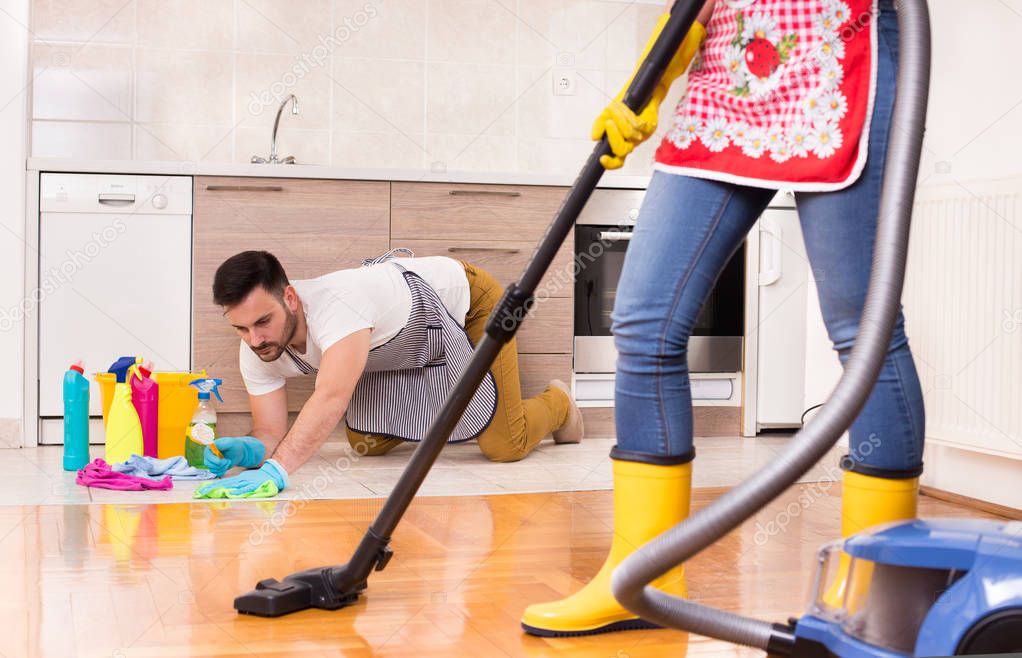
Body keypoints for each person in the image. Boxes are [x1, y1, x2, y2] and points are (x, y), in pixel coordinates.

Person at [522, 0, 924, 636]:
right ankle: (643, 578)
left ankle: (885, 595)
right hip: (728, 71)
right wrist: (650, 84)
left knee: (863, 329)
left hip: (837, 48)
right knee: (644, 323)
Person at [196, 250, 584, 497]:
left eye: (263, 321)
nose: (255, 338)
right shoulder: (255, 347)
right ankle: (454, 416)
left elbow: (331, 396)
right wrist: (247, 450)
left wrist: (278, 470)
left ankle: (560, 405)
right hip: (406, 345)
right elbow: (270, 432)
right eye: (241, 328)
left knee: (505, 444)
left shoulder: (337, 307)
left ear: (291, 298)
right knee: (366, 440)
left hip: (467, 302)